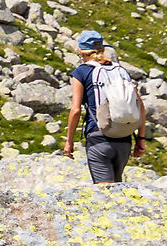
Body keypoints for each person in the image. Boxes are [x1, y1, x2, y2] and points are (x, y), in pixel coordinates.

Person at [61, 29, 147, 184]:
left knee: (106, 194)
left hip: (99, 139)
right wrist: (140, 139)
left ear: (81, 52)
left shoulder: (81, 72)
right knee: (117, 191)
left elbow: (75, 110)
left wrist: (69, 142)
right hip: (124, 139)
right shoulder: (120, 71)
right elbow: (140, 106)